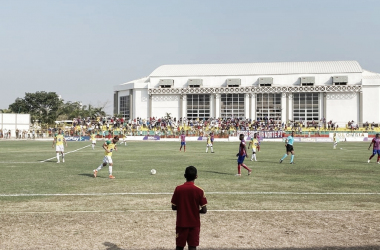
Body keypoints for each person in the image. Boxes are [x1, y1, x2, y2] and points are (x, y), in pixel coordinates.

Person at [171, 166, 207, 250]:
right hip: (194, 224)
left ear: (184, 175)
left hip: (181, 223)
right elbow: (204, 210)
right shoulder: (199, 190)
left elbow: (173, 206)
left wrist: (183, 208)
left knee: (179, 246)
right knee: (192, 246)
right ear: (196, 176)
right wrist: (195, 210)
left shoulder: (178, 189)